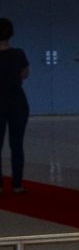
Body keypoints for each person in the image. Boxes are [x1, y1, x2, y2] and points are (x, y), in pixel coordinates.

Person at [0, 18, 26, 193]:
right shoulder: (18, 54)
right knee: (17, 144)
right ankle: (17, 184)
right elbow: (24, 74)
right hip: (17, 102)